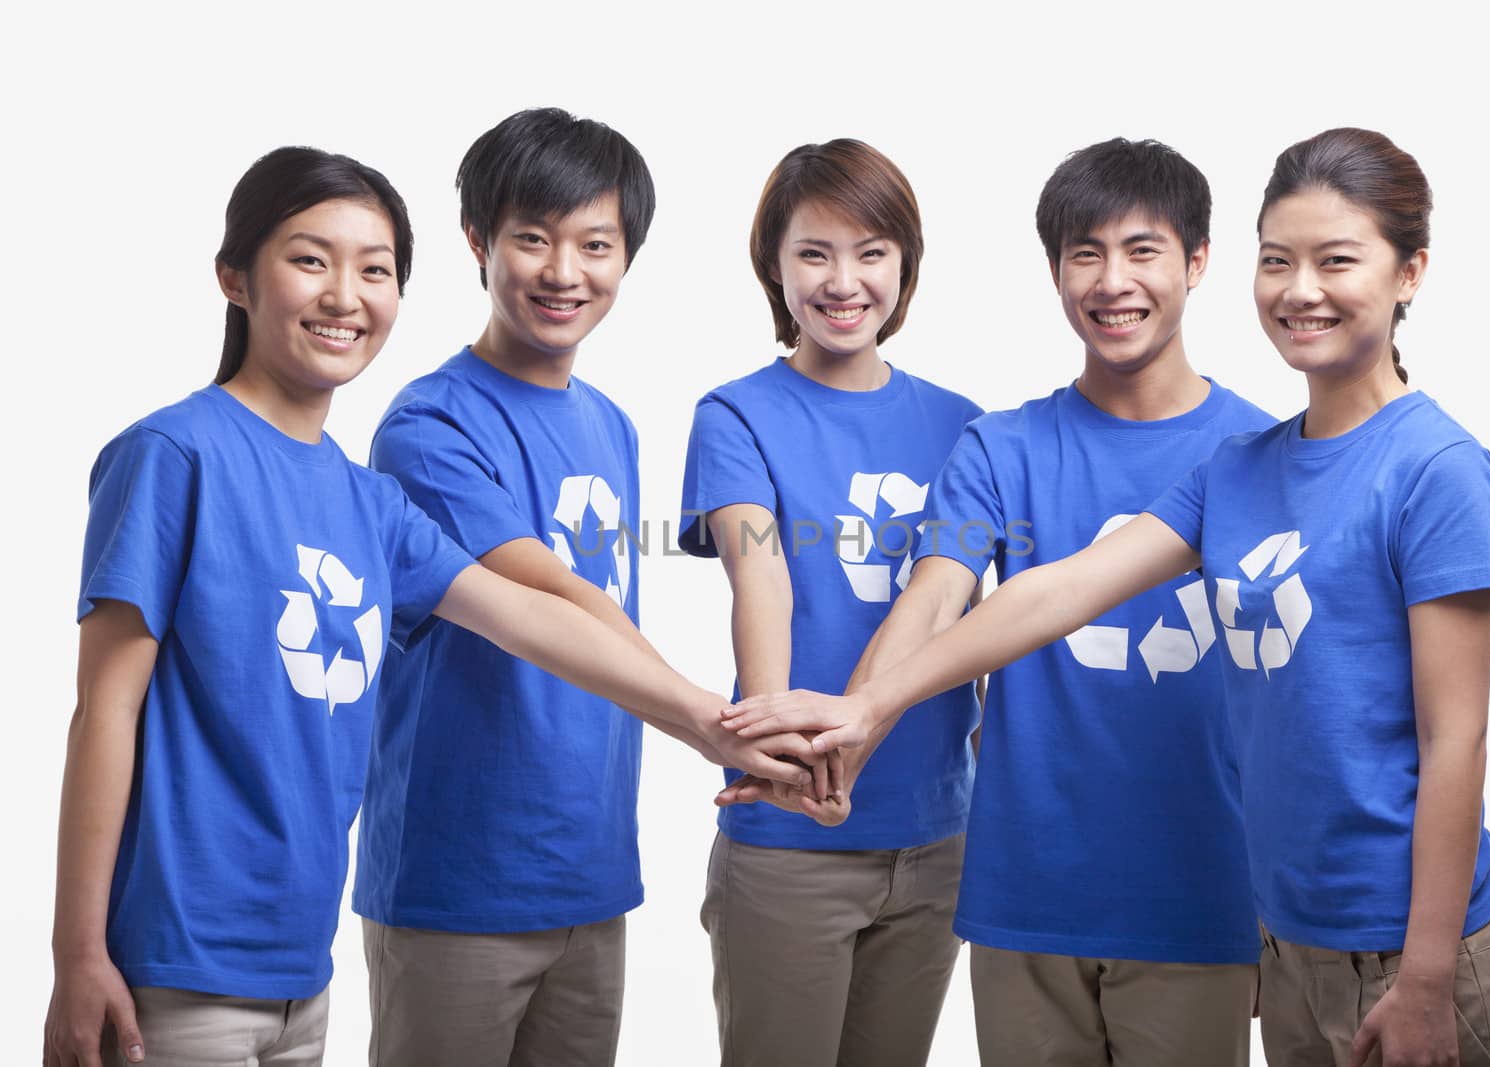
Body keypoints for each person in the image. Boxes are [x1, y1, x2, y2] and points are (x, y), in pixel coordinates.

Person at [724, 127, 1490, 1067]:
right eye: (1278, 261)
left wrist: (1431, 978)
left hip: (1384, 942)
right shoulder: (1237, 470)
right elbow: (1055, 589)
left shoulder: (1434, 469)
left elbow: (1460, 739)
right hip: (1286, 939)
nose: (1301, 288)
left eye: (1336, 260)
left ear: (1409, 274)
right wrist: (867, 705)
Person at [44, 145, 819, 1067]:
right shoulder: (175, 455)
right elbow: (105, 709)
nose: (344, 295)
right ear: (234, 278)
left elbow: (526, 617)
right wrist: (76, 950)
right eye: (309, 259)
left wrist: (710, 724)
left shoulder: (369, 502)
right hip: (175, 964)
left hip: (301, 969)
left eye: (374, 270)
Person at [752, 137, 1271, 1066]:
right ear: (1055, 272)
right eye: (1085, 254)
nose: (1113, 281)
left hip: (1201, 894)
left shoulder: (1261, 455)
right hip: (1026, 897)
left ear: (1197, 262)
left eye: (1143, 250)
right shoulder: (1001, 449)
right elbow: (933, 596)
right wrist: (849, 729)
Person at [353, 107, 730, 1067]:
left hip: (590, 871)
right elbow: (550, 600)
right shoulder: (428, 427)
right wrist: (714, 724)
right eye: (533, 238)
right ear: (478, 241)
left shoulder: (611, 423)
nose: (565, 272)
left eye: (595, 244)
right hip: (459, 879)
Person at [678, 138, 983, 1067]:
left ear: (906, 264)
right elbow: (758, 567)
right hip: (788, 841)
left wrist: (859, 739)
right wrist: (780, 748)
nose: (843, 280)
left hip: (935, 837)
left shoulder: (968, 426)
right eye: (814, 252)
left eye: (871, 251)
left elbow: (951, 596)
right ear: (774, 264)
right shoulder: (736, 413)